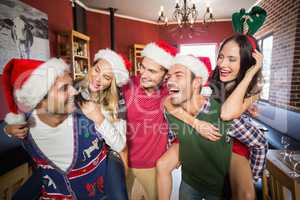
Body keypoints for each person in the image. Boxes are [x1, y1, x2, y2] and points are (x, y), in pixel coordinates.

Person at [157, 34, 267, 200]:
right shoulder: (209, 85)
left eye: (232, 59)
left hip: (234, 139)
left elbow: (227, 114)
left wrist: (250, 75)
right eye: (221, 57)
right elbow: (168, 102)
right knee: (164, 164)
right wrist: (195, 123)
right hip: (202, 130)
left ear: (246, 63)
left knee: (246, 194)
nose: (222, 63)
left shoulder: (251, 88)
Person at [2, 56, 129, 199]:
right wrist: (8, 130)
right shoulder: (29, 123)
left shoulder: (102, 108)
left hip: (97, 178)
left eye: (106, 76)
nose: (74, 92)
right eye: (97, 70)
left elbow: (119, 148)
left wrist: (99, 118)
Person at [122, 40, 177, 200]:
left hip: (154, 167)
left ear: (166, 75)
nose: (143, 74)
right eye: (142, 67)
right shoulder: (126, 85)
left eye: (152, 71)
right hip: (125, 164)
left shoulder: (170, 91)